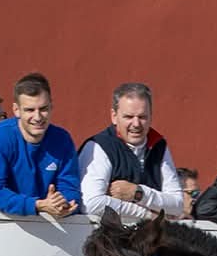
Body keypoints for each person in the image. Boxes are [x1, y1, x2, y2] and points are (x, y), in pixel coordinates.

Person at [0, 72, 80, 217]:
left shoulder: (62, 139)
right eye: (30, 110)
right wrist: (36, 205)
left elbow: (70, 188)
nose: (38, 117)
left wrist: (64, 204)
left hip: (48, 227)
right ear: (16, 110)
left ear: (52, 106)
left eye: (43, 109)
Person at [77, 82, 184, 223]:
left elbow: (177, 205)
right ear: (114, 116)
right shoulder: (99, 147)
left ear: (151, 116)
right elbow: (91, 204)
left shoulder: (158, 145)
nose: (136, 124)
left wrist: (138, 193)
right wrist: (148, 215)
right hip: (107, 240)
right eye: (128, 117)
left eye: (142, 117)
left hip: (147, 241)